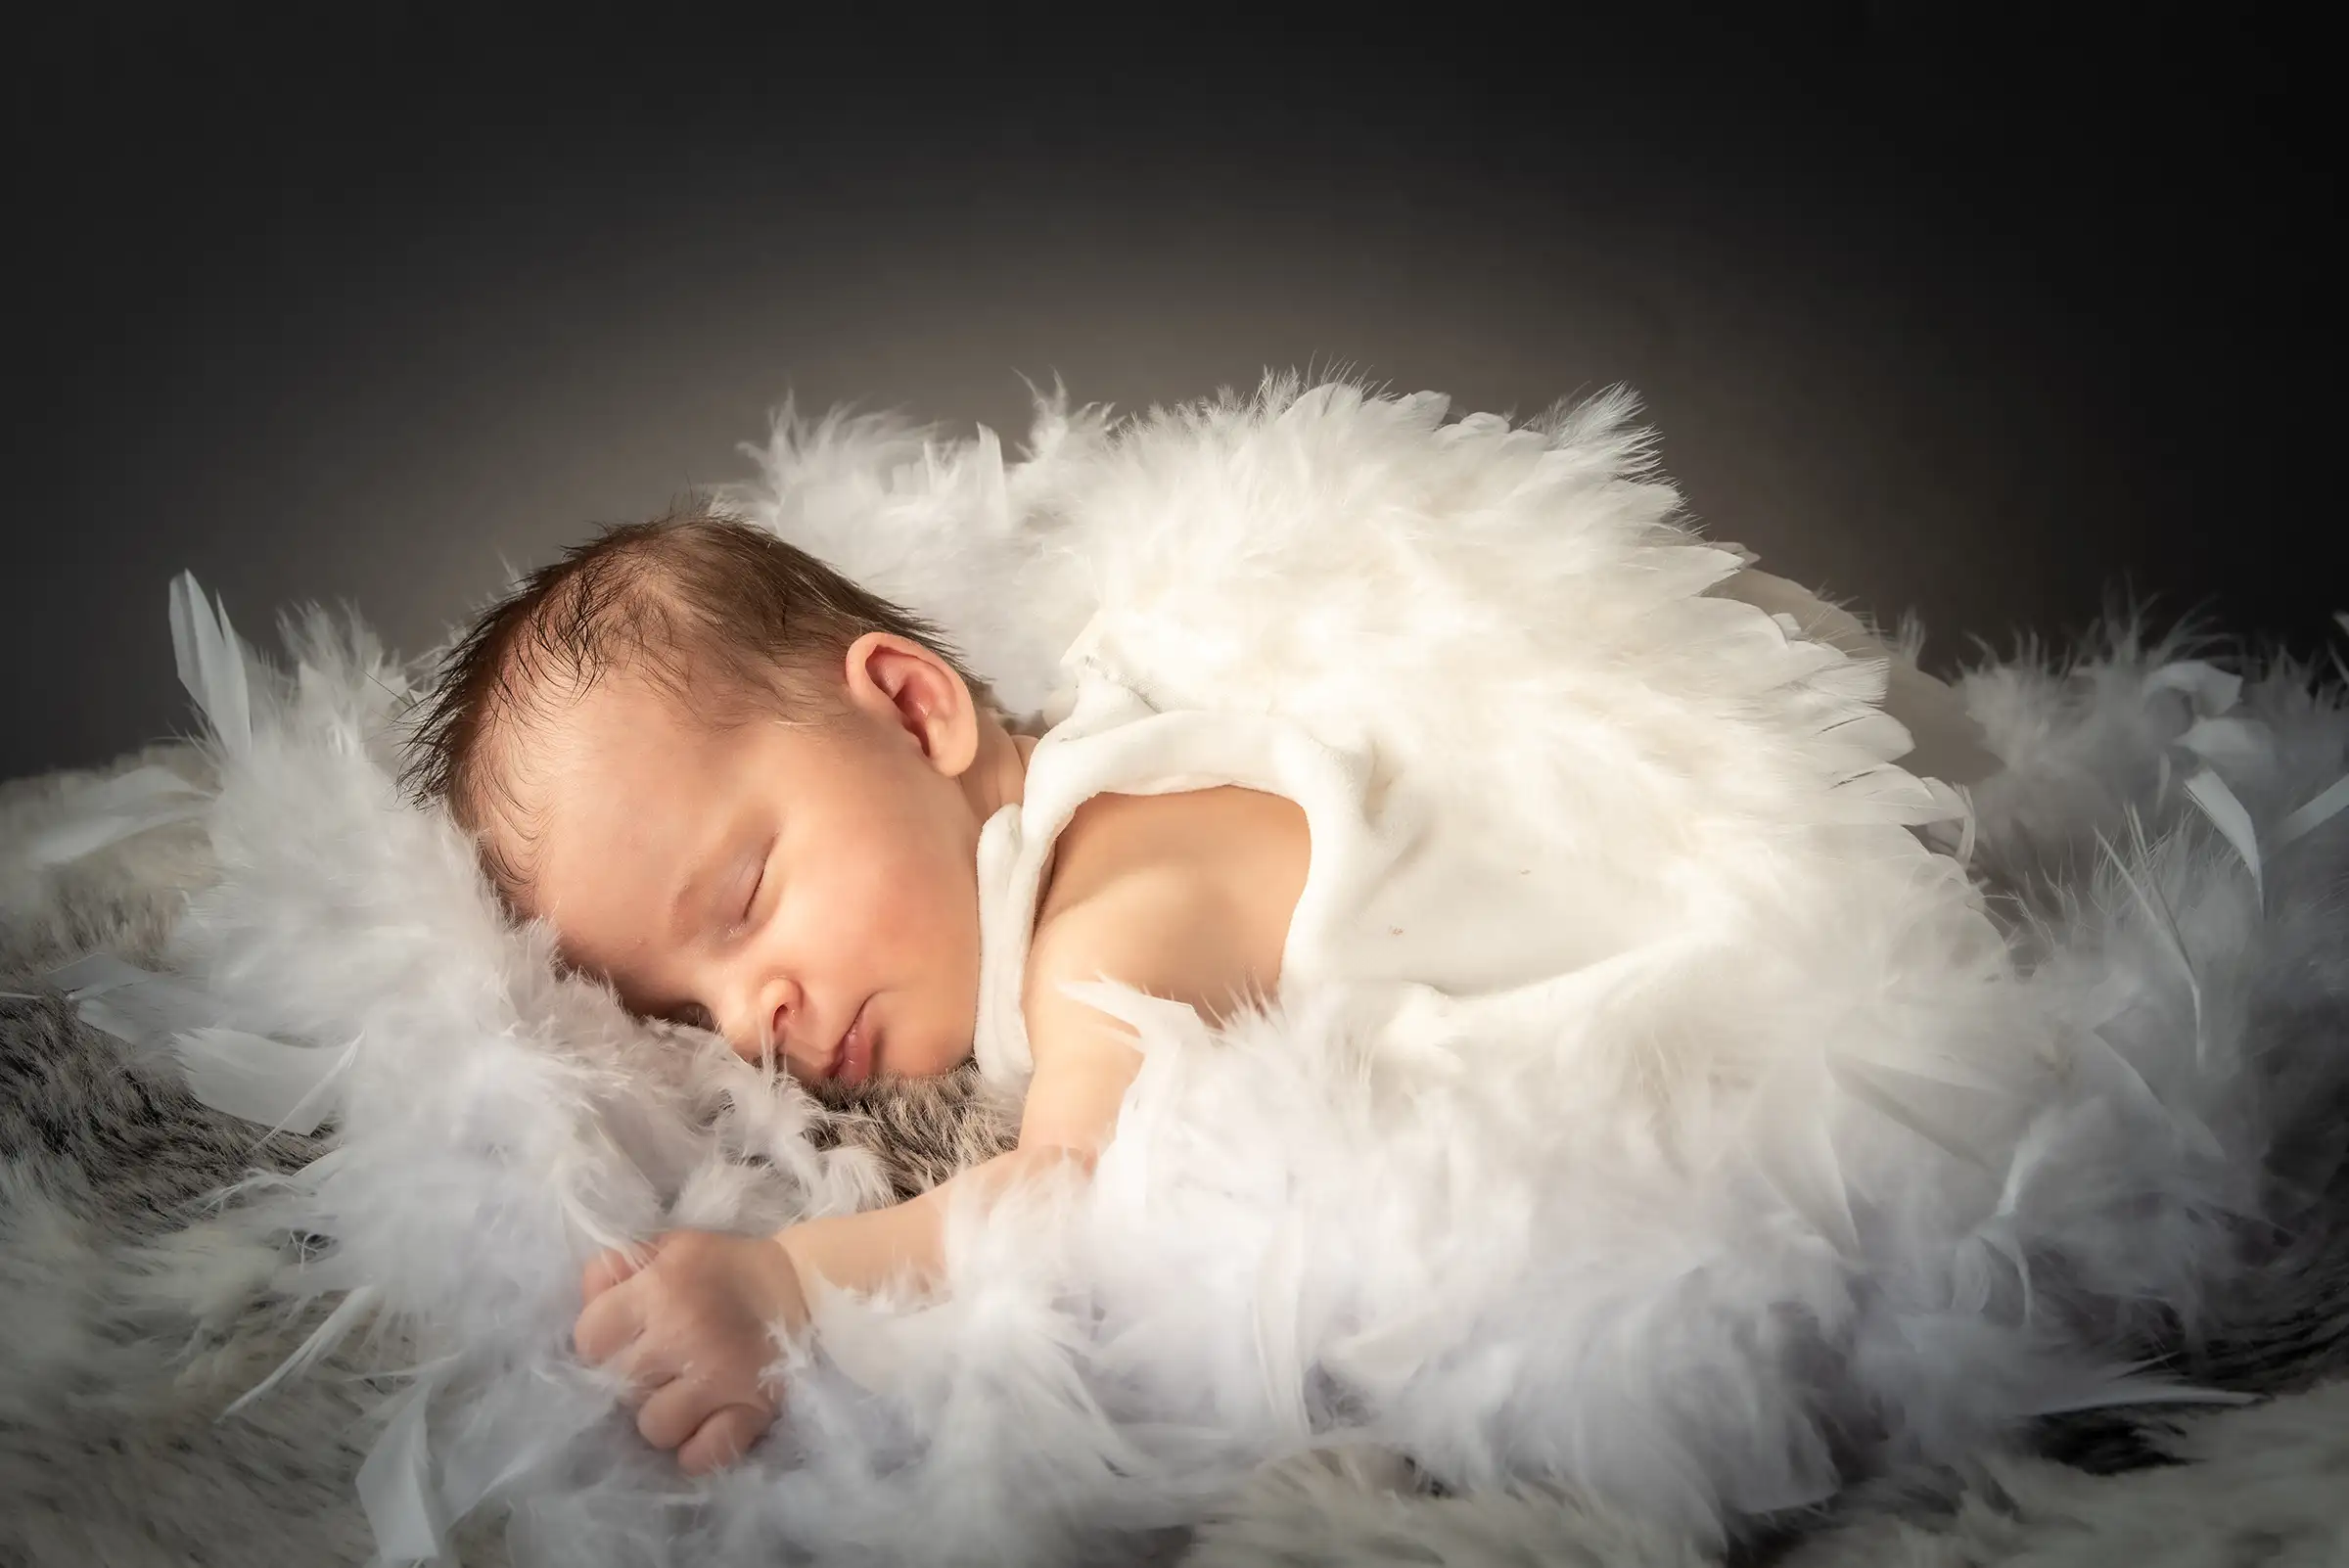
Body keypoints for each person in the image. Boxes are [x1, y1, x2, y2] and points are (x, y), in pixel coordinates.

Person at [399, 505, 2000, 1476]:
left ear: (912, 707)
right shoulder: (1107, 785)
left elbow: (1083, 1211)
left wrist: (786, 1288)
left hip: (1774, 1130)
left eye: (743, 904)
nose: (753, 1015)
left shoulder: (1114, 908)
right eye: (688, 1007)